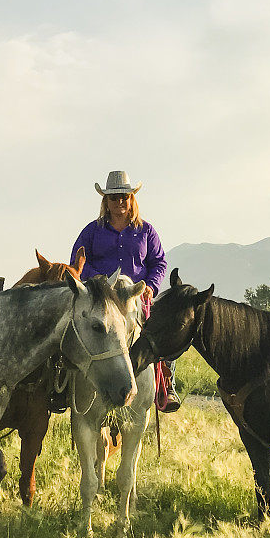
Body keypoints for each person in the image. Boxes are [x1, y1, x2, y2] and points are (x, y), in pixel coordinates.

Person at [71, 170, 180, 412]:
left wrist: (151, 286)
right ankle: (63, 387)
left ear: (132, 199)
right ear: (105, 202)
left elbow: (159, 262)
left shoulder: (146, 231)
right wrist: (97, 283)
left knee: (164, 332)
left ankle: (166, 385)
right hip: (102, 298)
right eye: (114, 198)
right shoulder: (92, 231)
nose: (119, 202)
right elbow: (78, 260)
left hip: (135, 296)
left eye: (124, 197)